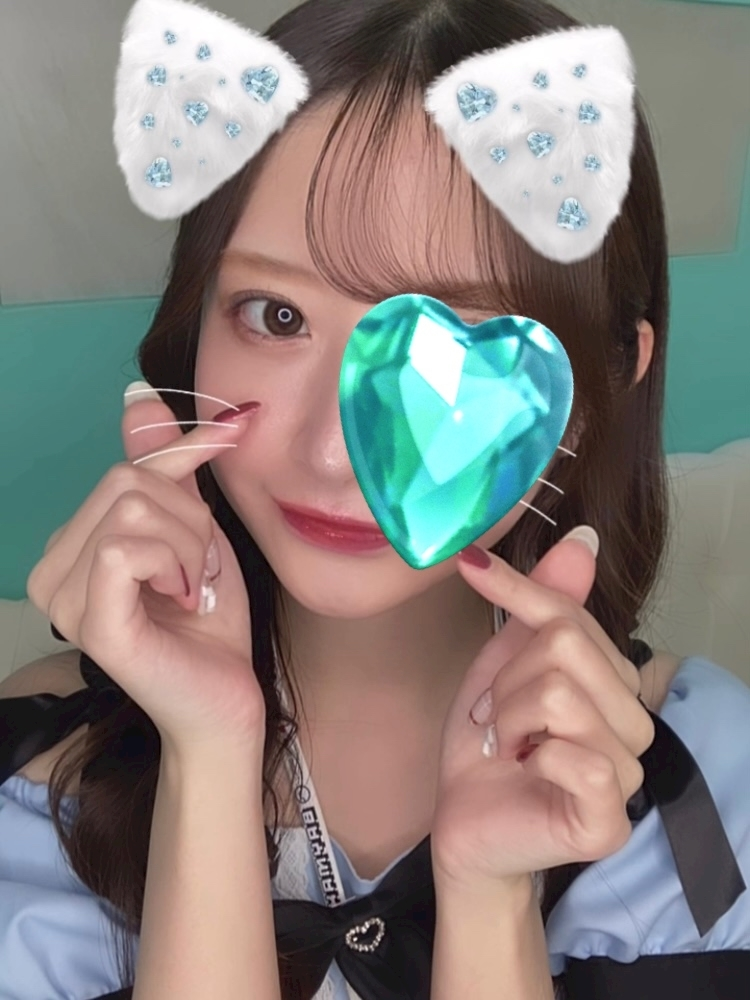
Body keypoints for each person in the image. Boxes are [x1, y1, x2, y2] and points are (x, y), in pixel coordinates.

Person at [0, 0, 748, 998]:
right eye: (277, 316)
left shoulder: (716, 804)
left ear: (603, 383)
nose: (333, 452)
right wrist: (208, 755)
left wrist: (490, 904)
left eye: (447, 353)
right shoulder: (34, 774)